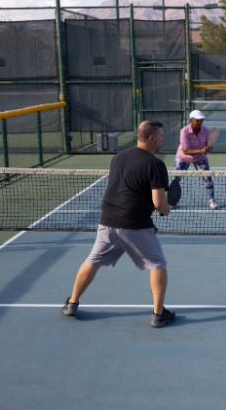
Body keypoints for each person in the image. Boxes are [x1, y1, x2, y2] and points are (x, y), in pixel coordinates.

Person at [62, 120, 175, 328]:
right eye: (161, 136)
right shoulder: (155, 164)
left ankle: (72, 302)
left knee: (93, 260)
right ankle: (159, 314)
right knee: (157, 264)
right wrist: (166, 209)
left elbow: (123, 187)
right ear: (151, 138)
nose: (163, 139)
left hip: (108, 219)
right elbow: (159, 203)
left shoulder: (119, 157)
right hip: (134, 223)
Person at [173, 109, 217, 209]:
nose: (200, 122)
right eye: (197, 120)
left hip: (200, 158)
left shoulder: (205, 131)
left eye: (201, 120)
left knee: (208, 179)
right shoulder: (184, 131)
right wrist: (202, 150)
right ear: (191, 120)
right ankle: (172, 201)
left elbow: (207, 146)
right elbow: (186, 150)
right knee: (176, 180)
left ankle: (212, 200)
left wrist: (208, 148)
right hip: (183, 157)